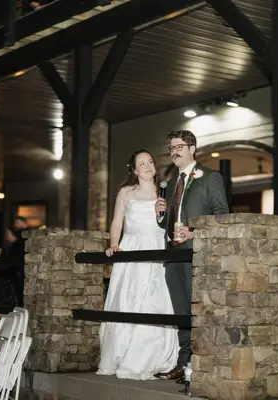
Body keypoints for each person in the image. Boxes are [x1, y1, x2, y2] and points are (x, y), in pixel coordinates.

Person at [96, 149, 179, 380]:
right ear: (134, 170)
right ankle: (121, 354)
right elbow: (117, 222)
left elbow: (171, 223)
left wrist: (162, 215)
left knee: (154, 300)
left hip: (156, 247)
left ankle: (151, 356)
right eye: (142, 163)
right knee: (128, 299)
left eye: (150, 162)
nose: (147, 166)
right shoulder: (126, 192)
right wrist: (114, 245)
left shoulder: (164, 191)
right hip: (132, 247)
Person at [154, 130, 229, 382]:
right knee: (180, 311)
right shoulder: (170, 183)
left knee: (198, 311)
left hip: (196, 255)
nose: (174, 152)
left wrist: (195, 232)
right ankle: (183, 363)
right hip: (173, 255)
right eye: (171, 148)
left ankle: (201, 365)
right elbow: (166, 223)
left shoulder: (209, 177)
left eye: (179, 147)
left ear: (192, 148)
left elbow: (222, 217)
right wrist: (160, 215)